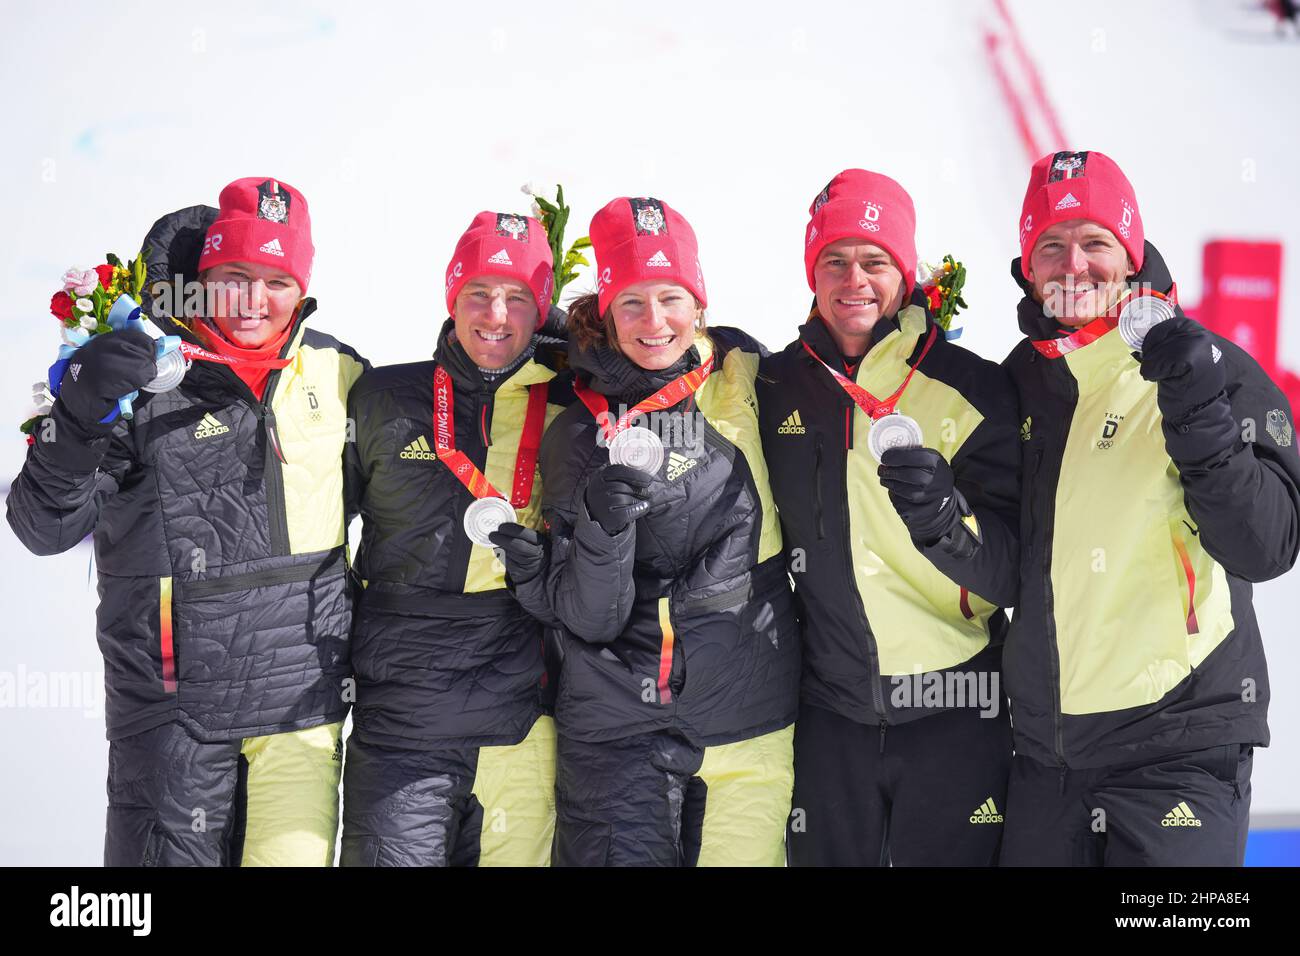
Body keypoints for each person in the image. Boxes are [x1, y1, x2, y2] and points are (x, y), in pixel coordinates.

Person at [7, 178, 368, 865]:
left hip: (302, 718)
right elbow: (42, 527)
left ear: (304, 287)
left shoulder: (341, 373)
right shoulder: (141, 382)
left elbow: (431, 491)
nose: (256, 300)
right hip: (172, 720)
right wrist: (79, 415)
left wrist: (556, 370)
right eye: (235, 276)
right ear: (200, 281)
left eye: (277, 279)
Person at [1000, 149, 1300, 866]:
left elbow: (1266, 544)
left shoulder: (1212, 365)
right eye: (1051, 245)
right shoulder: (1018, 383)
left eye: (1096, 242)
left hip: (1180, 751)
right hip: (1049, 758)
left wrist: (1199, 415)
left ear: (1131, 255)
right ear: (1028, 266)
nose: (1073, 265)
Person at [492, 196, 800, 866]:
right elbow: (587, 615)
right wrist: (602, 527)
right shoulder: (577, 431)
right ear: (602, 312)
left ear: (700, 303)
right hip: (617, 731)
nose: (655, 322)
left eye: (672, 297)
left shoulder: (744, 372)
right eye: (631, 302)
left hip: (747, 716)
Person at [757, 169, 1021, 866]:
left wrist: (947, 518)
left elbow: (1014, 569)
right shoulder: (773, 384)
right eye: (833, 261)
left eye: (875, 261)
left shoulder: (975, 387)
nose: (855, 280)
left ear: (905, 273)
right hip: (829, 715)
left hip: (958, 709)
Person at [340, 210, 571, 866]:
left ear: (540, 309)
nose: (496, 313)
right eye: (478, 292)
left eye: (518, 297)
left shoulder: (570, 409)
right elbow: (321, 543)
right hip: (401, 725)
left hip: (524, 720)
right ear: (451, 298)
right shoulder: (381, 398)